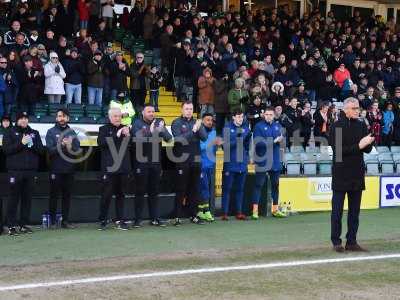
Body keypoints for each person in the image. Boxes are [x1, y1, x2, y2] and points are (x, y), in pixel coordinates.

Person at [329, 97, 375, 253]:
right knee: (337, 211)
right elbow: (340, 152)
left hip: (357, 173)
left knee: (354, 212)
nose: (358, 111)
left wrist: (371, 139)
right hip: (341, 174)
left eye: (358, 108)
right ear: (346, 109)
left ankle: (352, 241)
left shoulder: (361, 125)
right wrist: (359, 145)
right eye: (355, 108)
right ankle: (336, 242)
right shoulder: (336, 127)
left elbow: (367, 150)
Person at [2, 111, 44, 235]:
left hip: (30, 172)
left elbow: (41, 151)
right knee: (13, 199)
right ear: (17, 120)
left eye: (26, 118)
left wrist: (31, 144)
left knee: (27, 199)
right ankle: (11, 226)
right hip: (15, 172)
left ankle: (23, 225)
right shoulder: (9, 132)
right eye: (21, 118)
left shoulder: (34, 133)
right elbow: (6, 150)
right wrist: (21, 143)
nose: (24, 120)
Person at [132, 104, 172, 227]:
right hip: (141, 163)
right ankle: (137, 219)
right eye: (149, 111)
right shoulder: (137, 123)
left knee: (154, 192)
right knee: (140, 192)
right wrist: (152, 130)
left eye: (153, 111)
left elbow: (169, 139)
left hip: (156, 163)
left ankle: (155, 218)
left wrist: (162, 130)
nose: (151, 114)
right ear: (143, 113)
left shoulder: (159, 123)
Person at [171, 101, 207, 226]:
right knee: (181, 189)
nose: (189, 111)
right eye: (186, 109)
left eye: (191, 109)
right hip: (182, 160)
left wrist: (199, 126)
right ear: (182, 110)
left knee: (194, 189)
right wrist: (193, 131)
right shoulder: (176, 122)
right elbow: (178, 139)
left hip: (195, 160)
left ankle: (194, 215)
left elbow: (204, 137)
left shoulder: (196, 122)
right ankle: (177, 217)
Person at [97, 107, 131, 231]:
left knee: (121, 195)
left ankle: (120, 220)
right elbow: (101, 143)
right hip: (109, 169)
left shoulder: (126, 128)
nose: (118, 118)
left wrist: (128, 136)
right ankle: (103, 219)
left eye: (119, 116)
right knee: (106, 195)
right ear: (110, 117)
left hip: (123, 168)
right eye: (115, 116)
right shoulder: (103, 129)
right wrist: (117, 136)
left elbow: (131, 145)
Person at [46, 108, 80, 229]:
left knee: (67, 196)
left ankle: (66, 221)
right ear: (56, 118)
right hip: (56, 169)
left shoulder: (72, 132)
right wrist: (61, 144)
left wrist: (70, 146)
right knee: (54, 195)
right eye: (60, 116)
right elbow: (50, 151)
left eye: (64, 116)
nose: (62, 118)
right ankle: (53, 222)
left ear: (68, 118)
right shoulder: (51, 131)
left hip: (69, 169)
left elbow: (77, 151)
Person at [252, 107, 285, 219]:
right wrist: (274, 141)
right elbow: (258, 143)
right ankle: (255, 211)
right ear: (263, 115)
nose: (269, 116)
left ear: (274, 115)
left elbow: (281, 140)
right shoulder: (258, 126)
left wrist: (280, 140)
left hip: (275, 160)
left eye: (271, 114)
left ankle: (275, 209)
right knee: (258, 185)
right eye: (267, 114)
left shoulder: (277, 126)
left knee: (275, 185)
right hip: (262, 160)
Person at [221, 110, 251, 220]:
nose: (240, 119)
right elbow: (224, 147)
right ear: (233, 117)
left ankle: (239, 212)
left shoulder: (246, 128)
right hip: (230, 164)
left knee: (240, 189)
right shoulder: (227, 128)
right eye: (238, 117)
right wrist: (238, 140)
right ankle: (224, 213)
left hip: (242, 164)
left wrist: (246, 157)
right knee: (227, 189)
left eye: (242, 117)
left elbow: (247, 145)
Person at [199, 113, 222, 222]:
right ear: (202, 121)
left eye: (211, 120)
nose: (210, 122)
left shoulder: (213, 132)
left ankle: (201, 211)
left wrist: (219, 144)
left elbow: (214, 147)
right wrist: (212, 142)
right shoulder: (199, 132)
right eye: (207, 120)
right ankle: (206, 211)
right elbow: (200, 147)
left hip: (211, 164)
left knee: (207, 188)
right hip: (201, 164)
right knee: (204, 188)